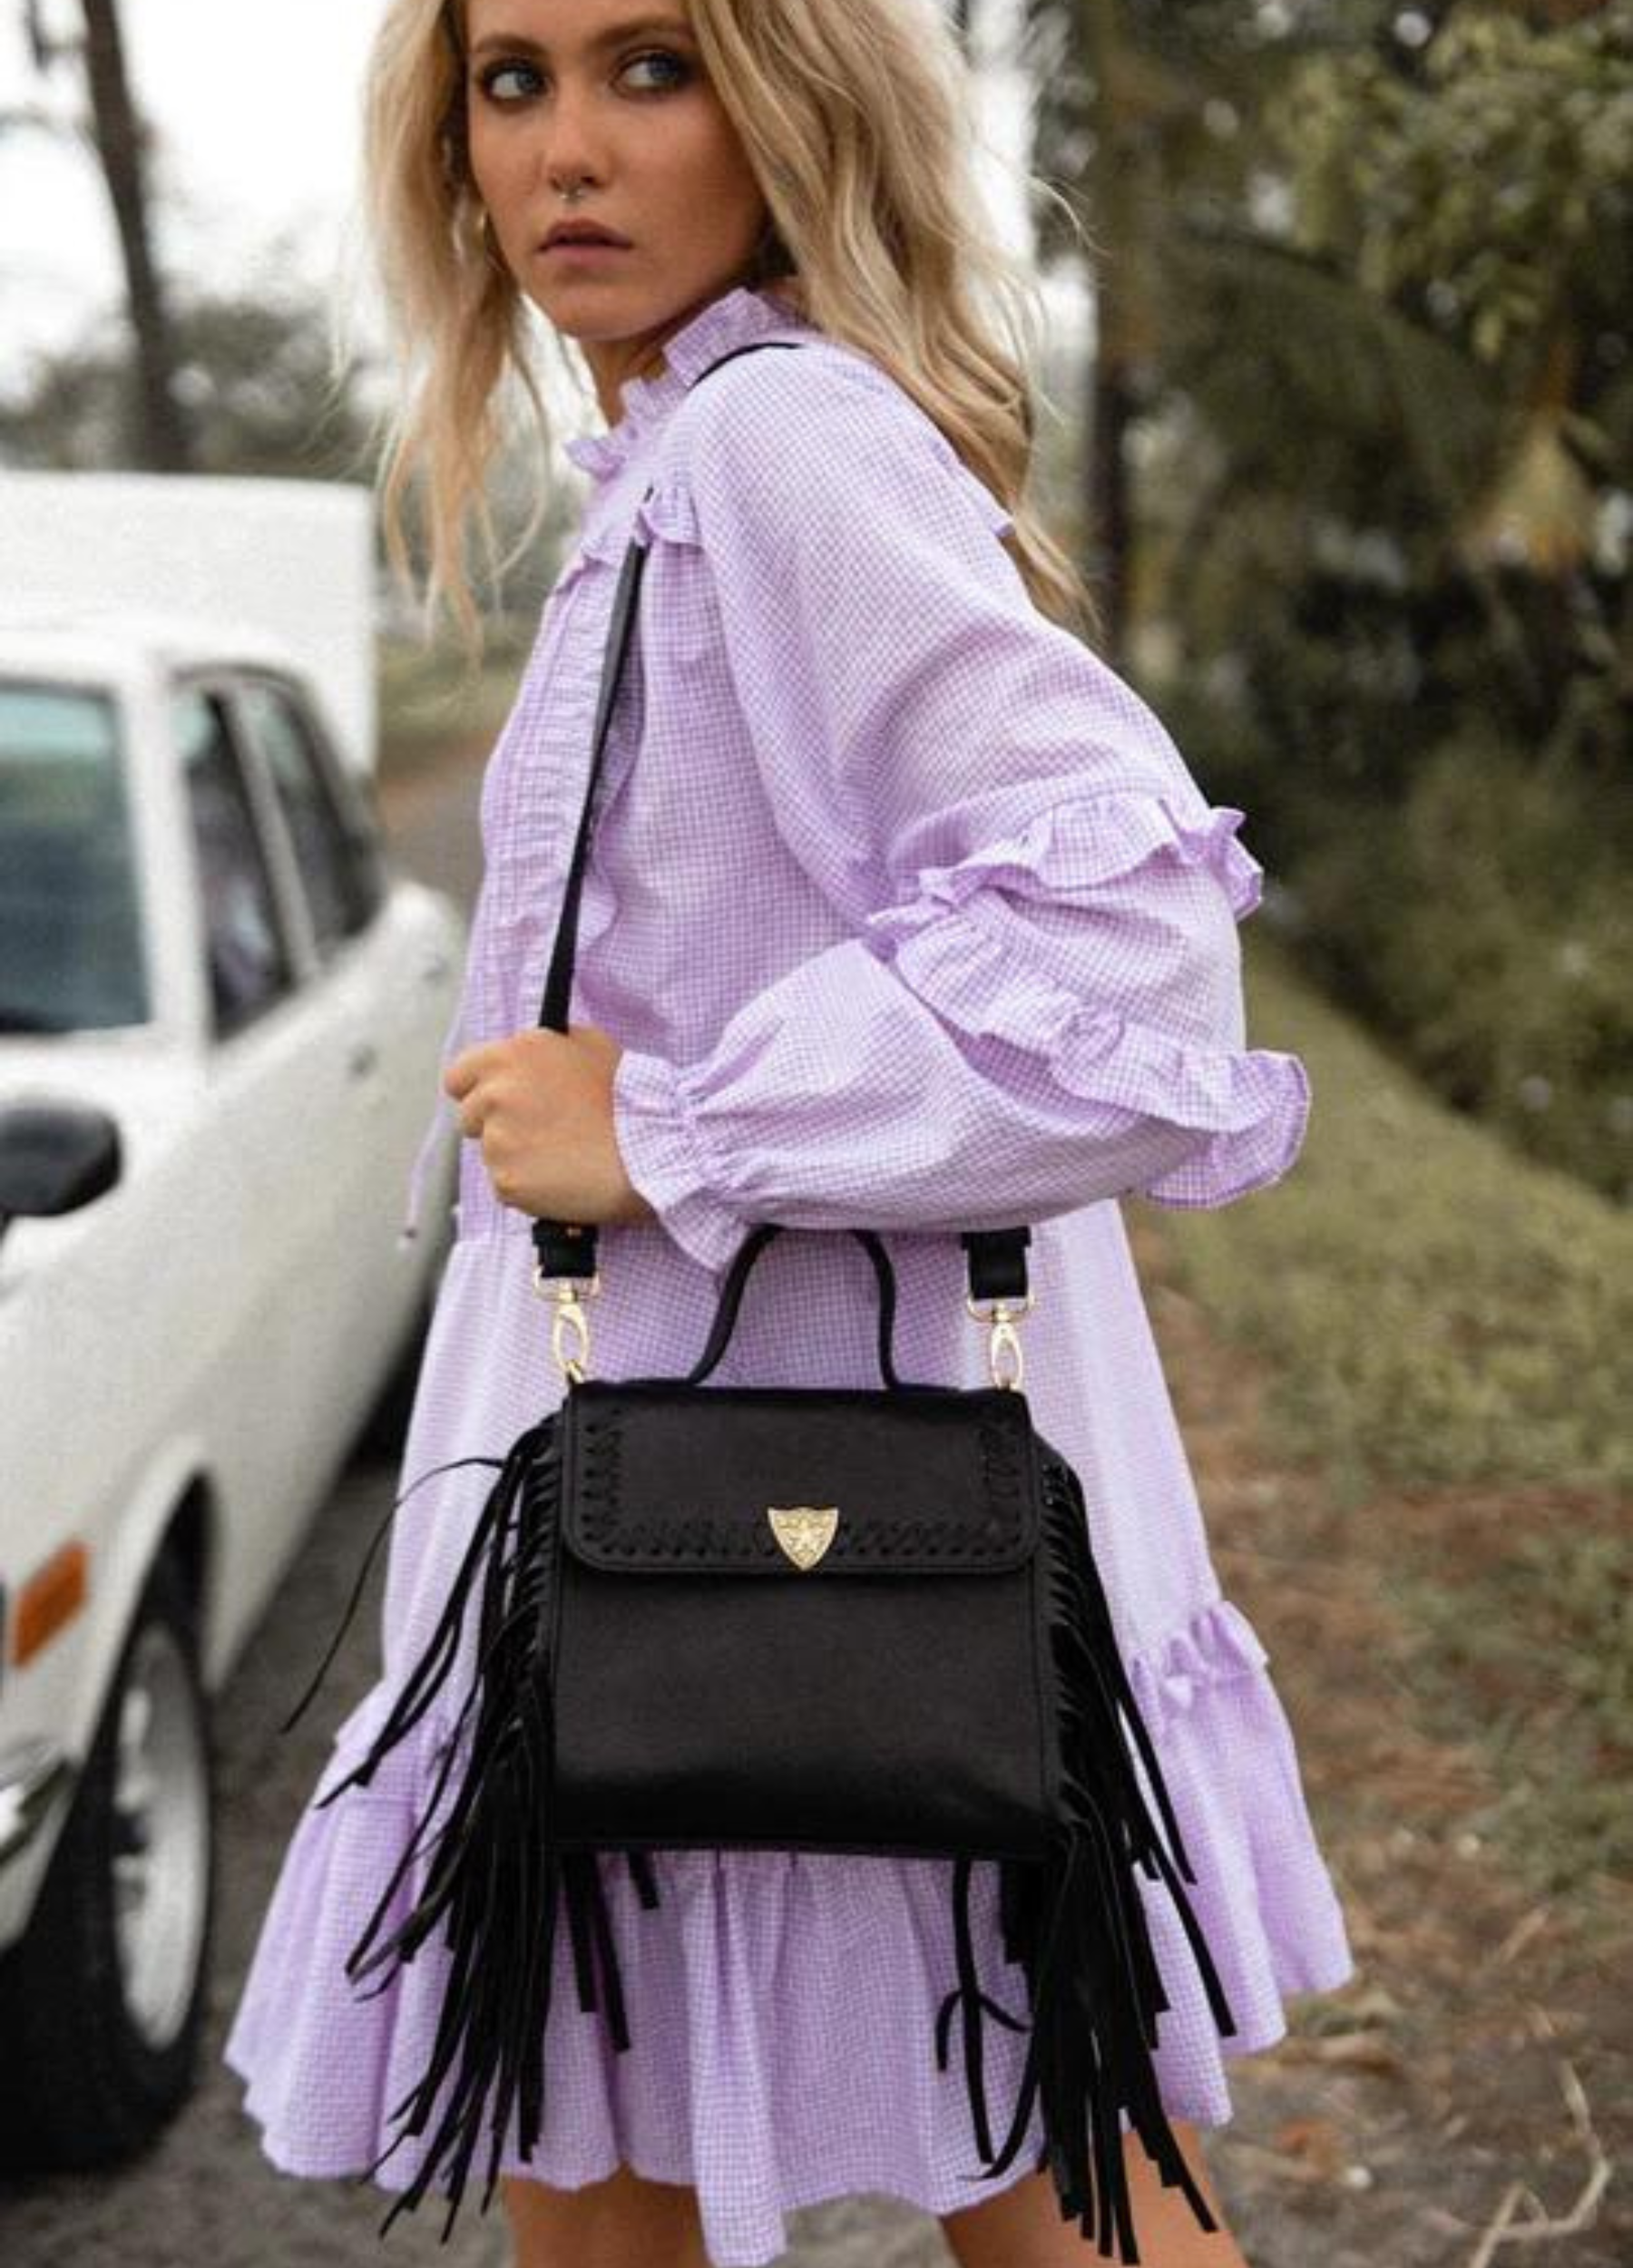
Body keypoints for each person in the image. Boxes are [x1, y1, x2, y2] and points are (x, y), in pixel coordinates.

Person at [222, 0, 1356, 2263]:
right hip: (706, 1491)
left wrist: (675, 1121)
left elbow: (1133, 959)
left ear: (790, 102)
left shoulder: (783, 446)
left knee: (1018, 2194)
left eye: (651, 69)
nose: (566, 151)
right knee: (945, 2169)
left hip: (778, 1515)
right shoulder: (678, 462)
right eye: (511, 80)